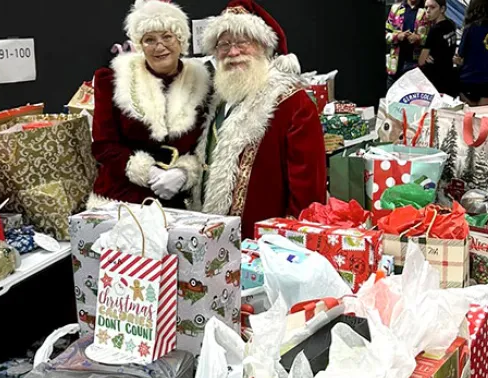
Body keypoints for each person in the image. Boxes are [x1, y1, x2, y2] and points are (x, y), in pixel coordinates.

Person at [193, 0, 327, 238]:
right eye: (224, 44)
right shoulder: (216, 103)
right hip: (214, 243)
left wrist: (289, 245)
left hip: (264, 248)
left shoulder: (293, 104)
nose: (233, 52)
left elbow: (307, 194)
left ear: (264, 47)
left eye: (243, 42)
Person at [91, 0, 210, 207]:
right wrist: (147, 172)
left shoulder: (203, 83)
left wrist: (184, 172)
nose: (159, 46)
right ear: (139, 45)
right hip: (120, 198)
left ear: (181, 40)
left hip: (179, 202)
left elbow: (206, 145)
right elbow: (104, 146)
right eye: (149, 40)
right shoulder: (112, 80)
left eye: (167, 37)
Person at [454, 0, 488, 106]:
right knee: (485, 119)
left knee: (469, 118)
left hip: (469, 80)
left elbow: (461, 54)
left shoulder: (470, 28)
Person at [386, 0, 431, 88]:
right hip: (395, 66)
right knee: (392, 99)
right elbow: (385, 34)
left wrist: (419, 38)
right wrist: (397, 36)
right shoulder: (395, 9)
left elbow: (432, 37)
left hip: (416, 68)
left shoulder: (426, 11)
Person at [419, 0, 457, 95]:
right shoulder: (451, 25)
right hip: (448, 76)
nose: (428, 11)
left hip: (435, 81)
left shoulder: (435, 30)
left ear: (442, 9)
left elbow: (421, 61)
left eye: (432, 7)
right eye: (426, 7)